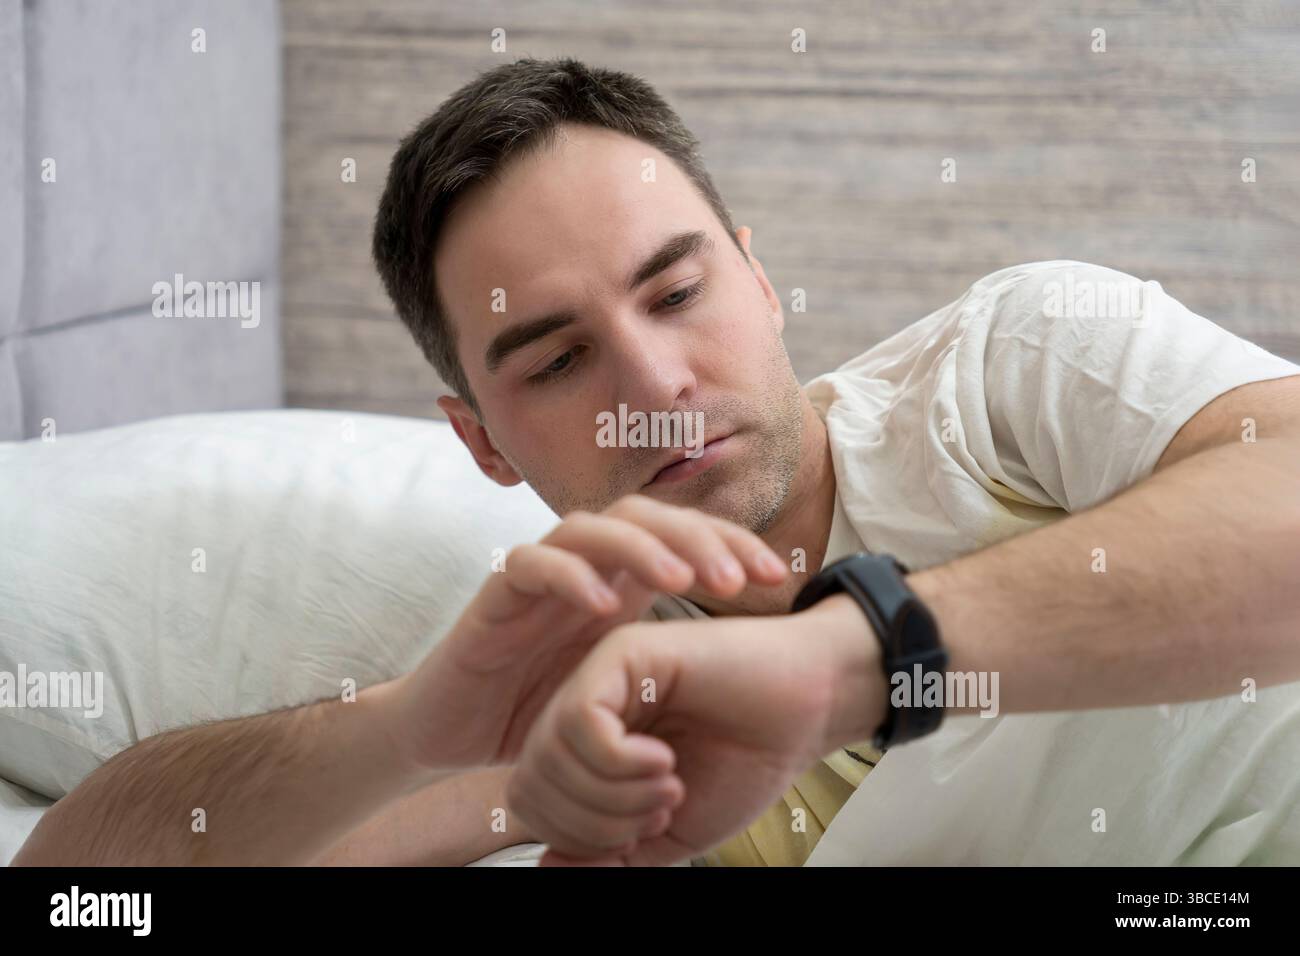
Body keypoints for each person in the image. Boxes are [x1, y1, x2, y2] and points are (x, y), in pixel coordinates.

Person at [17, 56, 1300, 867]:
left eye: (676, 291)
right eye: (556, 363)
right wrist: (408, 727)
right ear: (481, 440)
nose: (652, 386)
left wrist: (834, 664)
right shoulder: (590, 711)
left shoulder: (1009, 371)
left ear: (758, 274)